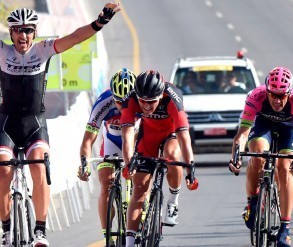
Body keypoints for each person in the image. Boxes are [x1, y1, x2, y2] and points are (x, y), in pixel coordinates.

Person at [0, 3, 120, 247]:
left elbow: (75, 37)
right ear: (11, 33)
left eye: (27, 30)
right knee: (3, 169)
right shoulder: (2, 52)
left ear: (34, 32)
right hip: (6, 123)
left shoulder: (44, 50)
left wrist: (100, 22)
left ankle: (40, 230)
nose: (23, 35)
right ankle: (6, 229)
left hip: (34, 124)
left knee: (39, 168)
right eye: (17, 30)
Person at [229, 67, 293, 247]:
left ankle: (285, 229)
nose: (277, 100)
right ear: (267, 90)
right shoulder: (256, 96)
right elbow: (241, 134)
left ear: (289, 93)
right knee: (257, 155)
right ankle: (253, 202)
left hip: (288, 128)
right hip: (264, 124)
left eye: (282, 96)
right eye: (273, 95)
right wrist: (235, 156)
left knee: (284, 168)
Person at [120, 70, 199, 246]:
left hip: (171, 133)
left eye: (151, 102)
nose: (146, 106)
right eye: (142, 102)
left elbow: (184, 140)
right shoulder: (131, 99)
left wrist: (190, 170)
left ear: (160, 96)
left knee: (171, 154)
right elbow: (127, 137)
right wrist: (129, 164)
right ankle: (130, 243)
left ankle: (173, 201)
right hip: (148, 135)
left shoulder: (172, 97)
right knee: (139, 190)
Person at [77, 68, 135, 246]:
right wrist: (84, 165)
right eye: (119, 102)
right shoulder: (103, 103)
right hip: (112, 144)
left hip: (135, 142)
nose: (122, 106)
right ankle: (108, 236)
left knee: (140, 181)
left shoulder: (140, 102)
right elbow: (88, 140)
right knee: (106, 184)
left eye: (126, 102)